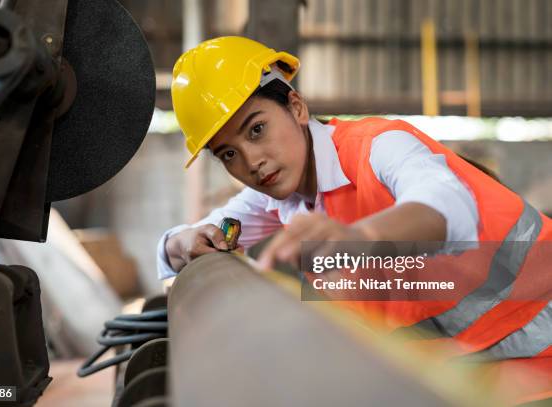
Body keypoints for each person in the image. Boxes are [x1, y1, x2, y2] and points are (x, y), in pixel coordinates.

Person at [157, 36, 552, 403]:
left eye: (257, 129)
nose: (251, 161)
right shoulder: (278, 197)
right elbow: (199, 234)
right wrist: (180, 243)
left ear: (296, 107)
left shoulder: (380, 147)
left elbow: (448, 205)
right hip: (474, 379)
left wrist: (363, 236)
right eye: (228, 154)